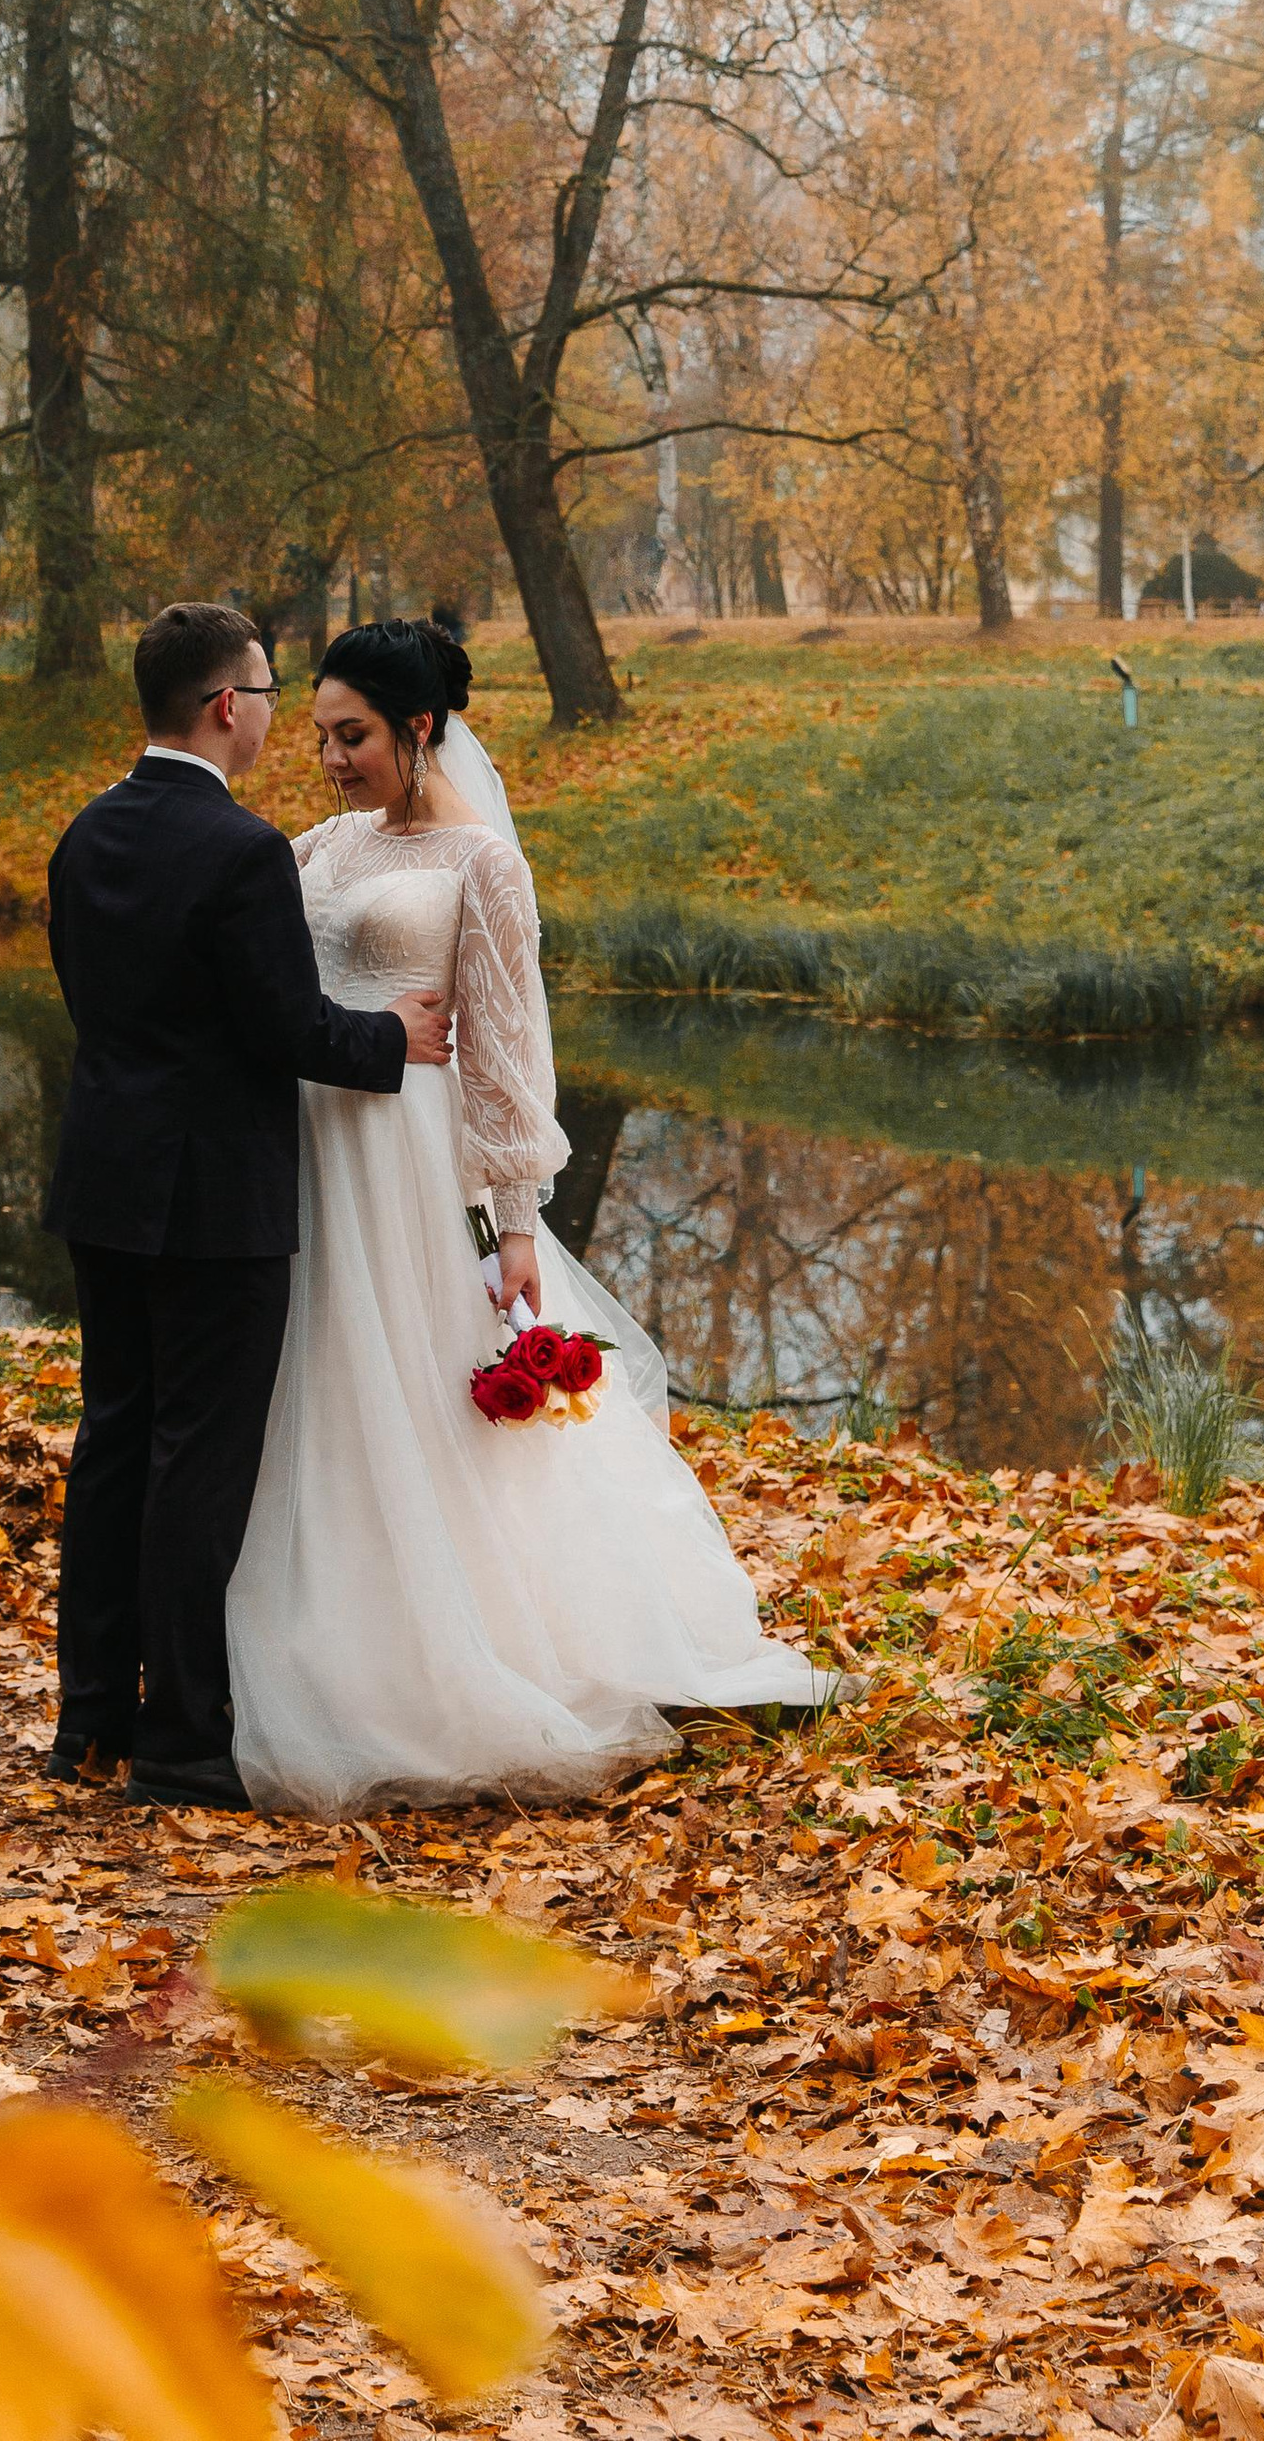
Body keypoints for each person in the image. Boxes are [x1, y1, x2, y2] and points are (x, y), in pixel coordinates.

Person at [225, 615, 833, 1812]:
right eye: (317, 736)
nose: (331, 759)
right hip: (305, 1147)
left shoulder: (482, 867)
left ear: (418, 726)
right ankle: (305, 1639)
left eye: (351, 736)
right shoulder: (319, 847)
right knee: (320, 1389)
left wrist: (509, 1220)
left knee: (412, 1389)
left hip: (408, 1163)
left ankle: (459, 1654)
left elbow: (503, 1049)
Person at [42, 601, 453, 1809]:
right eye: (270, 695)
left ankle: (87, 1719)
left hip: (104, 1182)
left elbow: (102, 1008)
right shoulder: (239, 851)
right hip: (213, 1199)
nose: (278, 718)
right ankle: (180, 1736)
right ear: (229, 706)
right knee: (199, 1464)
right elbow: (284, 1027)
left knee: (114, 1439)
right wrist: (391, 1037)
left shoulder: (85, 833)